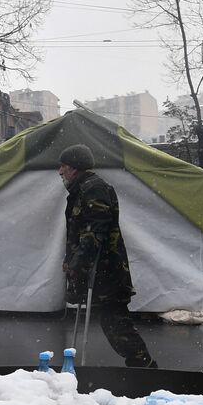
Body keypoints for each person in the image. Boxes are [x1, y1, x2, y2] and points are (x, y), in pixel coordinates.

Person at [57, 143, 157, 368]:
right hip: (97, 270)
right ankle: (142, 365)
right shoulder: (81, 189)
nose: (60, 171)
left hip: (106, 271)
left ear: (74, 168)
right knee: (113, 321)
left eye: (63, 166)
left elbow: (95, 231)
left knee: (115, 323)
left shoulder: (93, 188)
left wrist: (78, 263)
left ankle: (144, 367)